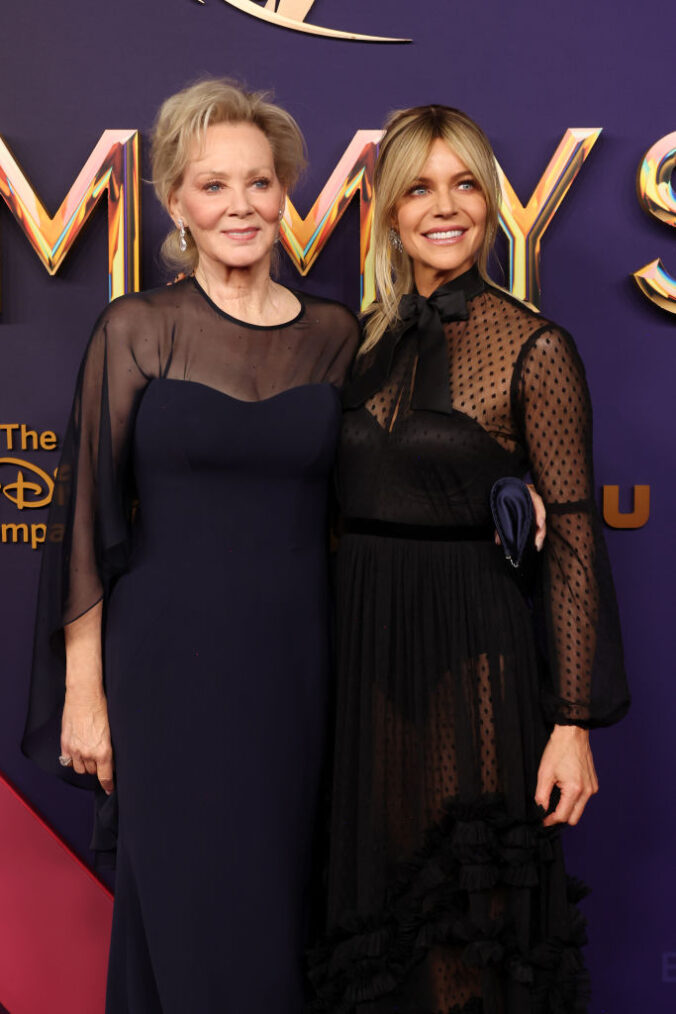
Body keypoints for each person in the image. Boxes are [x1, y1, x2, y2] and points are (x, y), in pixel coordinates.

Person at [22, 78, 359, 1013]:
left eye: (259, 183)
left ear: (285, 191)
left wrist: (511, 488)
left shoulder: (334, 337)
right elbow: (85, 519)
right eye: (214, 186)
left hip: (296, 667)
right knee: (183, 899)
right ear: (176, 202)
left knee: (276, 902)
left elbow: (389, 469)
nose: (240, 206)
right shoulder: (138, 329)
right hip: (165, 670)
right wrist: (84, 697)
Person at [308, 105, 630, 1013]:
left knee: (466, 918)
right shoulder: (353, 343)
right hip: (363, 657)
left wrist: (572, 722)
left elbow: (572, 537)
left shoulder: (535, 346)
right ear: (388, 209)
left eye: (464, 187)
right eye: (419, 187)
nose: (444, 208)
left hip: (474, 657)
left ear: (489, 205)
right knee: (373, 908)